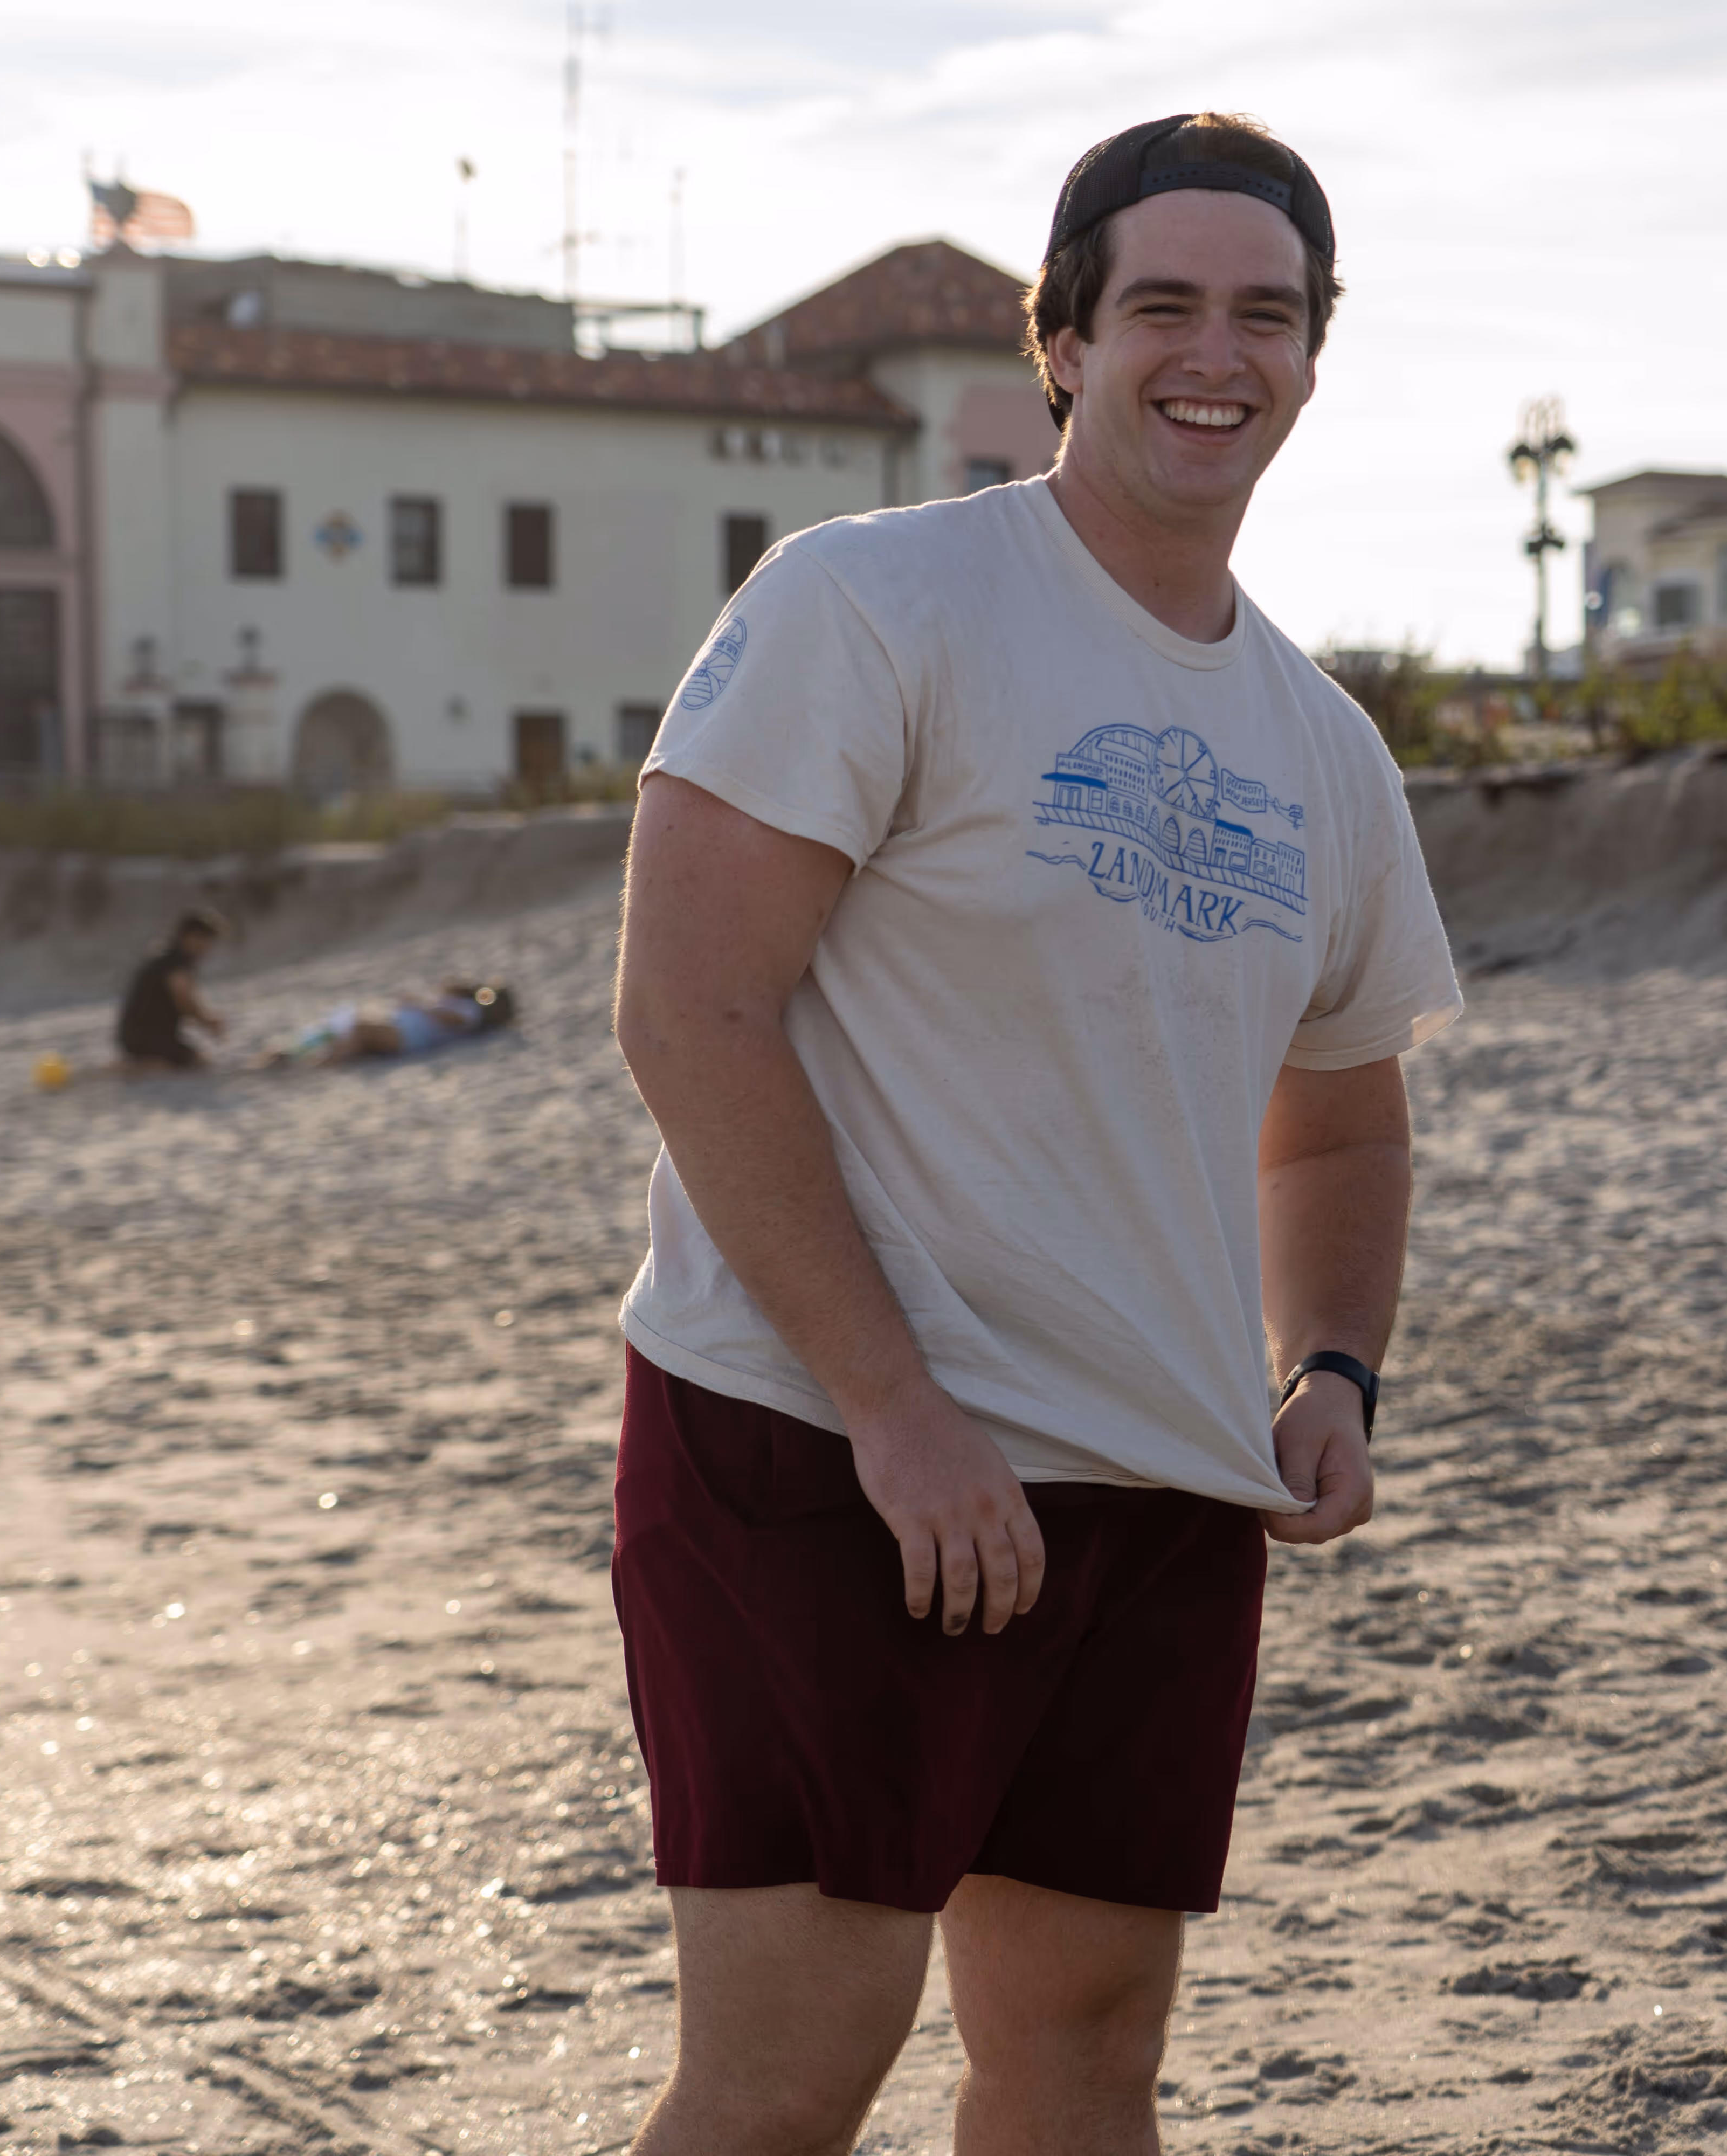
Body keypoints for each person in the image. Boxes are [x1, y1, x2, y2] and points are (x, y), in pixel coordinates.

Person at [607, 110, 1461, 2153]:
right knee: (791, 2072)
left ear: (1315, 357)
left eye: (1266, 314)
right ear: (1060, 341)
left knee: (1083, 2060)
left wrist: (1328, 1363)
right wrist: (894, 1406)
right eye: (1159, 303)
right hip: (828, 1442)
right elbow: (690, 1009)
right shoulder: (876, 603)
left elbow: (1337, 1124)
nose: (1214, 353)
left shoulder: (1320, 745)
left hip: (1155, 1474)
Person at [261, 981, 515, 1066]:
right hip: (404, 1029)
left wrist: (420, 1007)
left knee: (358, 1028)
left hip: (409, 1036)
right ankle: (291, 1054)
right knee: (347, 1026)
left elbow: (452, 1020)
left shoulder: (471, 1012)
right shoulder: (466, 1003)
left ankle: (315, 1062)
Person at [114, 908, 227, 1071]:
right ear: (191, 937)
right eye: (206, 940)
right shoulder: (176, 962)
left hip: (137, 1036)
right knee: (199, 1066)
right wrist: (208, 1022)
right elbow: (183, 998)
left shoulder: (166, 956)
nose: (208, 947)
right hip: (150, 1038)